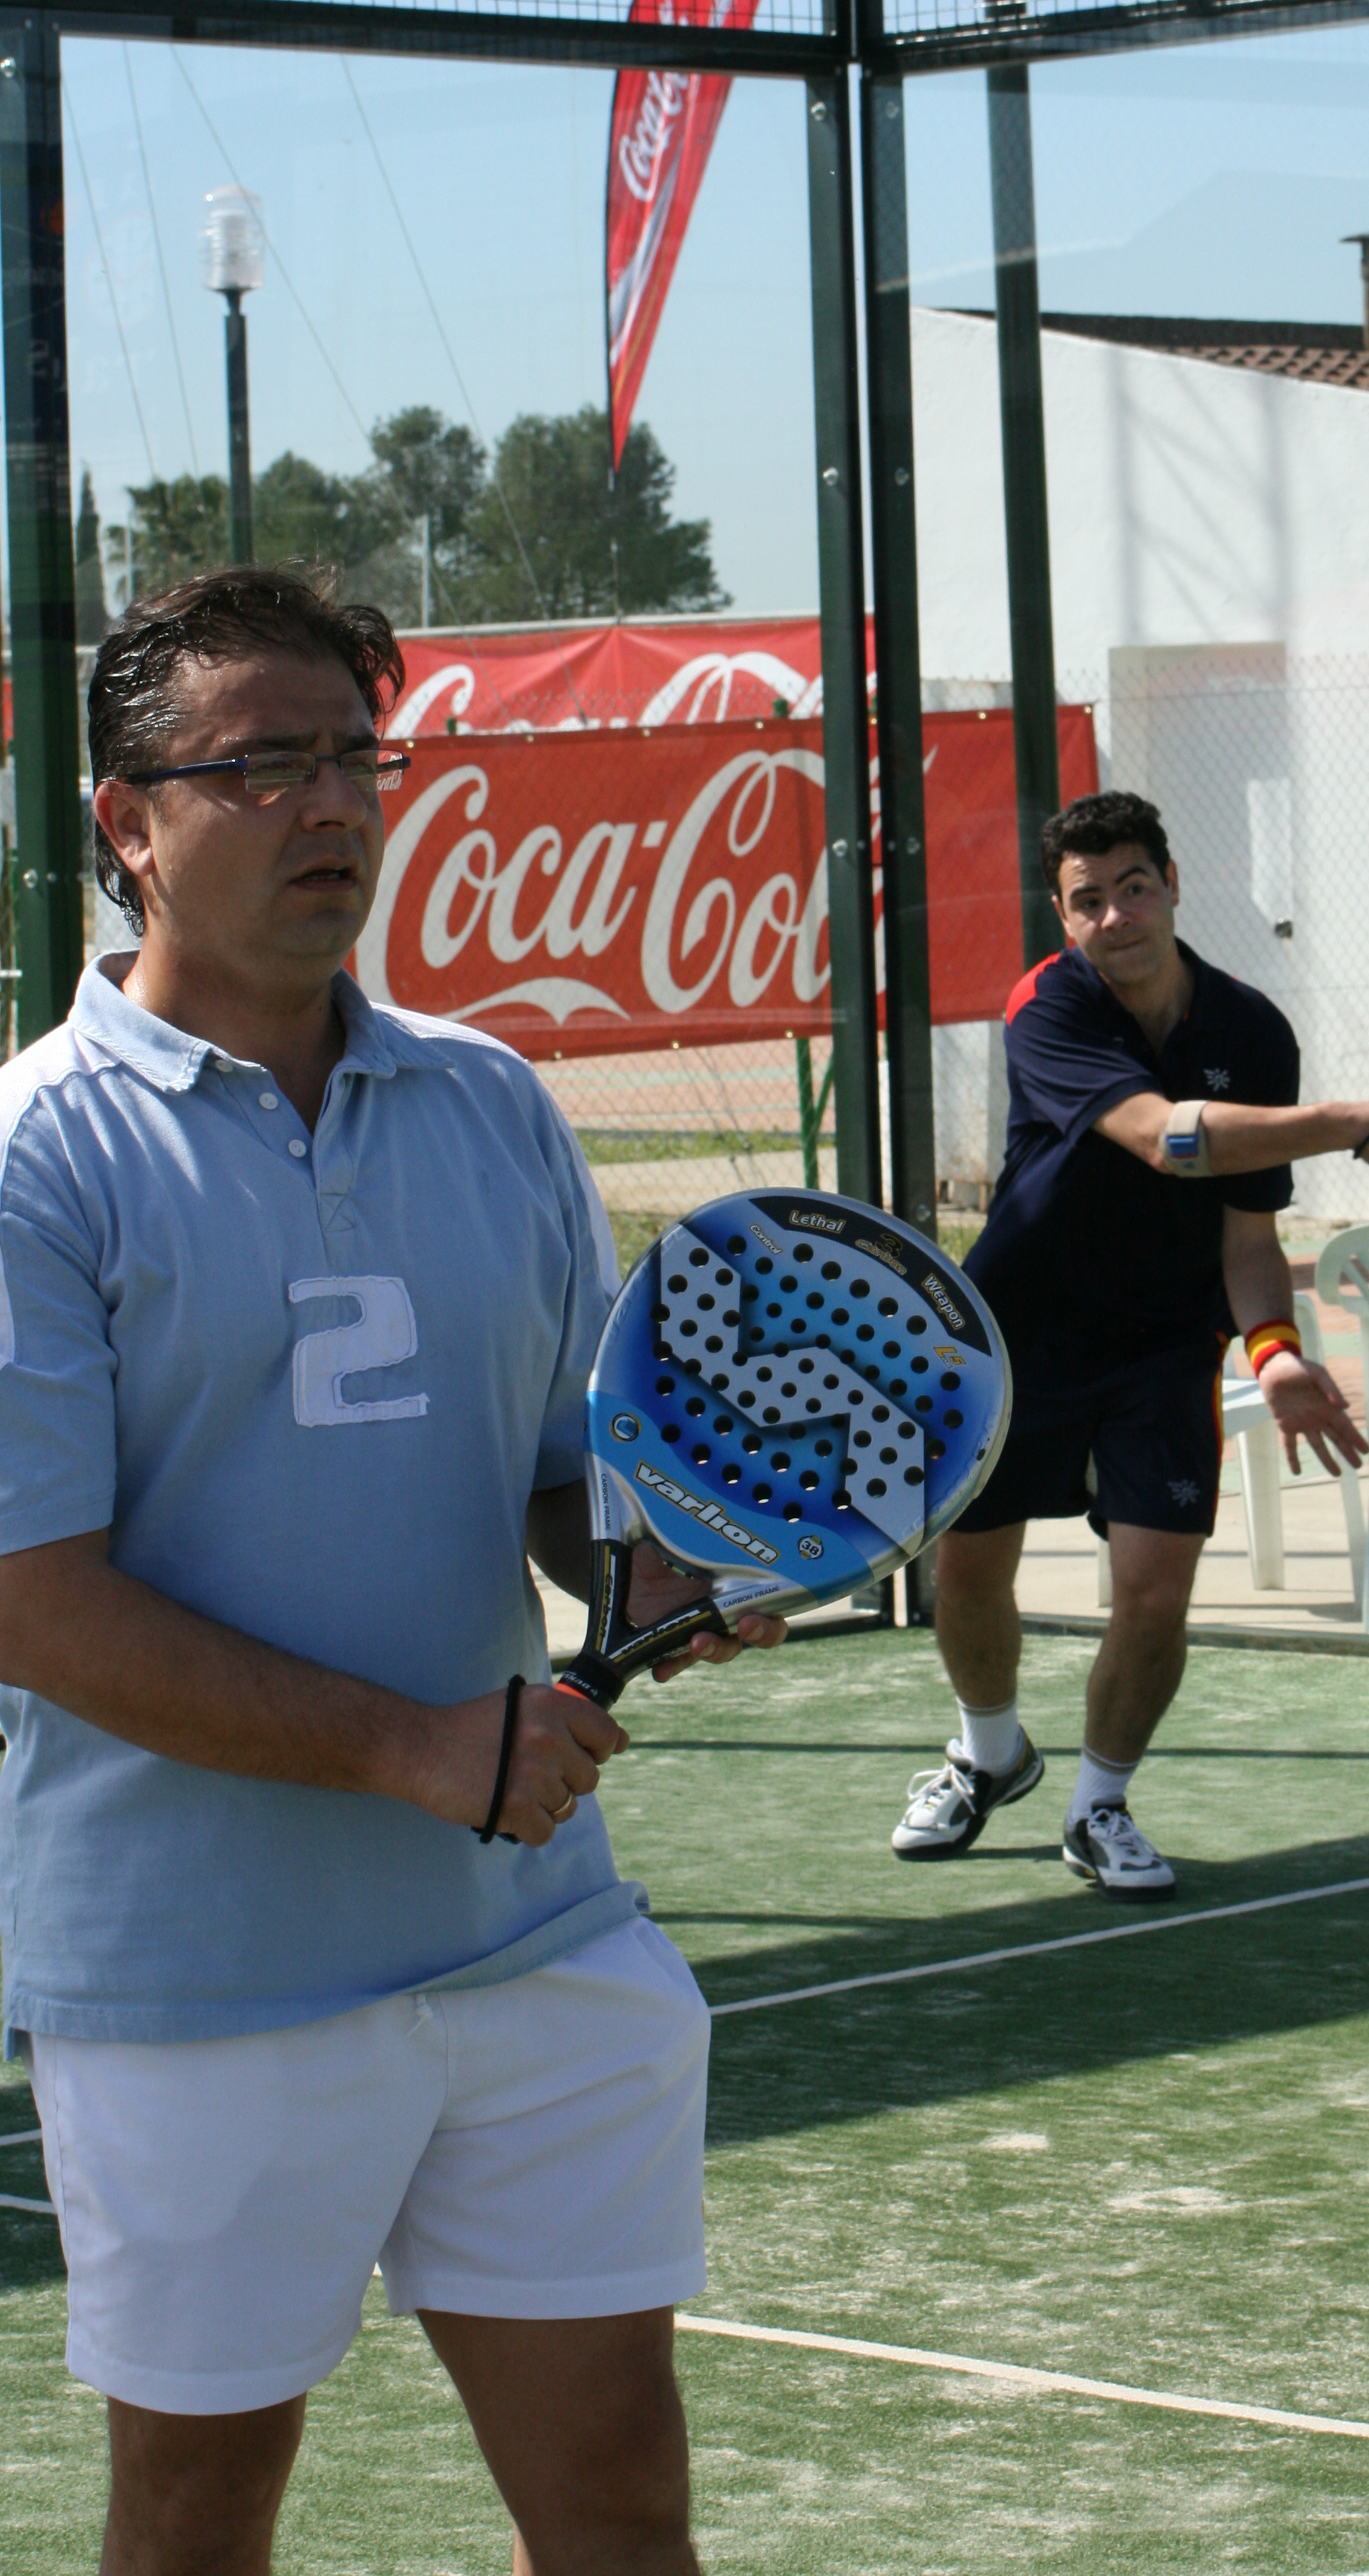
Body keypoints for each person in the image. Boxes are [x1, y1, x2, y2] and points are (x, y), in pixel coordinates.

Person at [0, 567, 782, 2576]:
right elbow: (32, 1599)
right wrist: (419, 1750)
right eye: (264, 765)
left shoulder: (492, 1100)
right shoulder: (35, 1157)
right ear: (127, 820)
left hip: (534, 1938)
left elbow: (570, 1476)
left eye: (358, 756)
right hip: (194, 1982)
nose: (335, 804)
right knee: (199, 2517)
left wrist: (664, 1564)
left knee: (620, 2502)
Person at [892, 790, 1369, 1899]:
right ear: (1064, 919)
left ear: (1173, 886)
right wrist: (1351, 1123)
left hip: (1163, 1349)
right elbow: (1166, 1140)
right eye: (1087, 900)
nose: (1116, 916)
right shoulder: (1047, 1006)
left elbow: (1248, 1234)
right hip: (1018, 1334)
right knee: (970, 1571)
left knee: (1153, 1592)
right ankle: (990, 1753)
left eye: (1133, 887)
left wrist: (1275, 1352)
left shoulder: (1253, 1032)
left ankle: (1098, 1804)